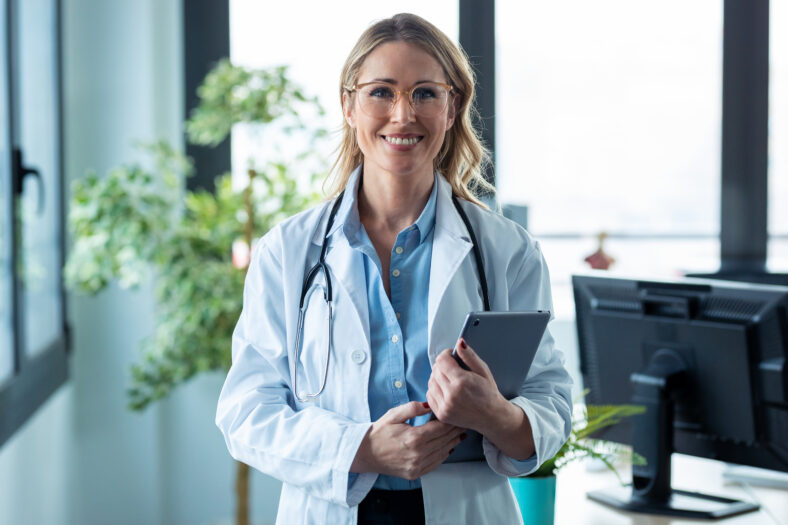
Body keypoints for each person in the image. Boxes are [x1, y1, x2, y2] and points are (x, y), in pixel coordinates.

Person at [216, 13, 572, 525]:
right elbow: (245, 413)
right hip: (334, 508)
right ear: (349, 106)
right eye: (381, 92)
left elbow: (552, 399)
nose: (403, 114)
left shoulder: (507, 251)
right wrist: (362, 450)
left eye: (425, 93)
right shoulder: (288, 252)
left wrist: (494, 414)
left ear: (452, 108)